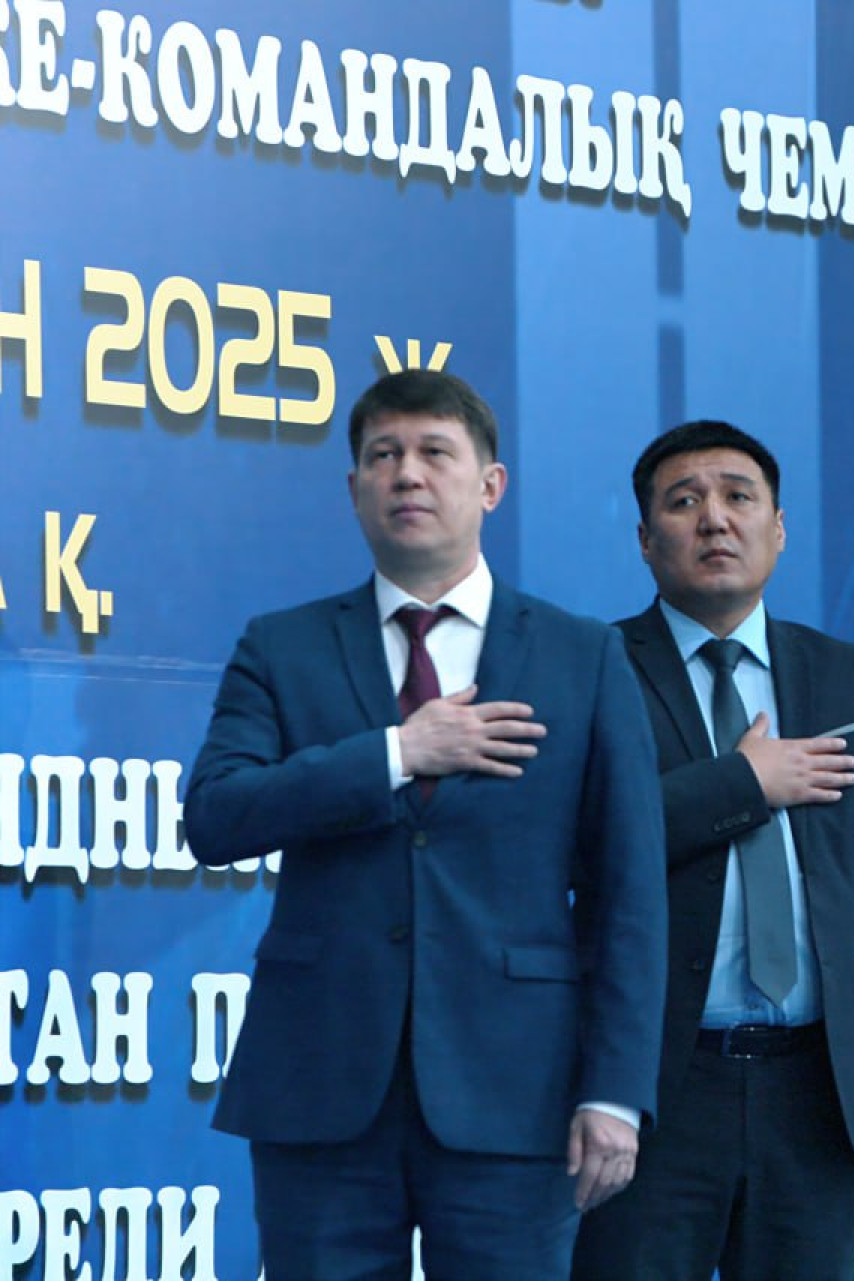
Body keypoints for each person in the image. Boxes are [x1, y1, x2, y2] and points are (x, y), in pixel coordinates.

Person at [185, 368, 668, 1279]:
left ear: (490, 484)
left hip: (518, 1093)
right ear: (353, 488)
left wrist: (615, 1089)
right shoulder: (282, 645)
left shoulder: (582, 655)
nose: (407, 473)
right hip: (320, 1090)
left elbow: (629, 893)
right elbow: (215, 816)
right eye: (383, 455)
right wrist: (396, 752)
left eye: (435, 452)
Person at [571, 420, 854, 1280]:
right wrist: (741, 784)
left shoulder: (853, 674)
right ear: (645, 539)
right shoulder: (594, 667)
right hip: (653, 1090)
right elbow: (579, 840)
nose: (715, 518)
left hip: (815, 1093)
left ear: (778, 529)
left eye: (738, 497)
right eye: (684, 501)